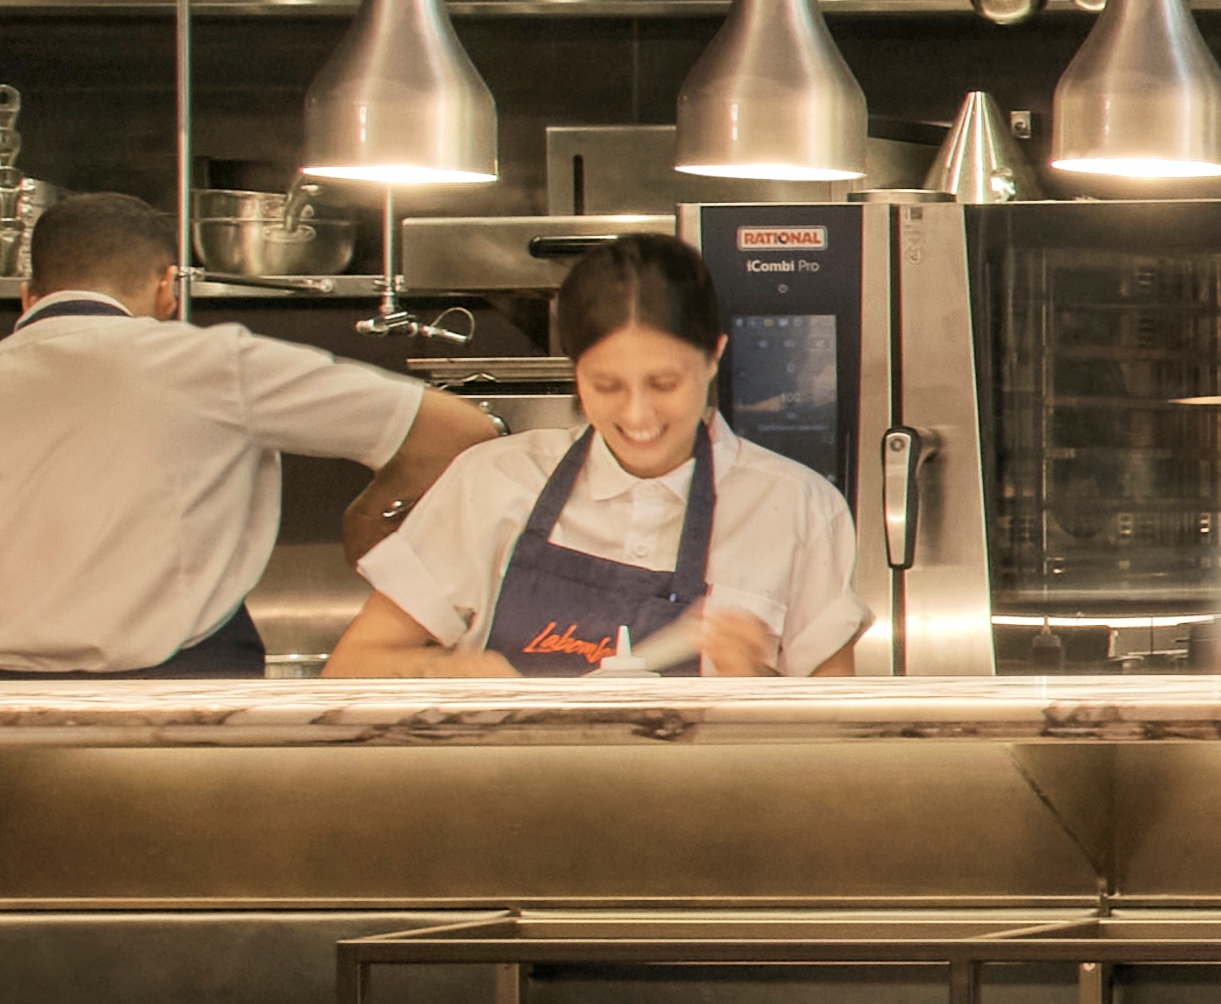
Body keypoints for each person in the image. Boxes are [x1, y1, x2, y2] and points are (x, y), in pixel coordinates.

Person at [0, 193, 494, 679]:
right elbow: (461, 431)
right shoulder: (218, 366)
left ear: (26, 294)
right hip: (190, 708)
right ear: (166, 288)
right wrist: (368, 518)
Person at [335, 237, 878, 678]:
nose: (638, 415)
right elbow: (352, 669)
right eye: (607, 385)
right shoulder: (492, 480)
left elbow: (836, 744)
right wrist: (445, 673)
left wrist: (752, 687)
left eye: (664, 382)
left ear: (714, 356)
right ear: (575, 372)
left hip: (705, 811)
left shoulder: (798, 506)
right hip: (508, 805)